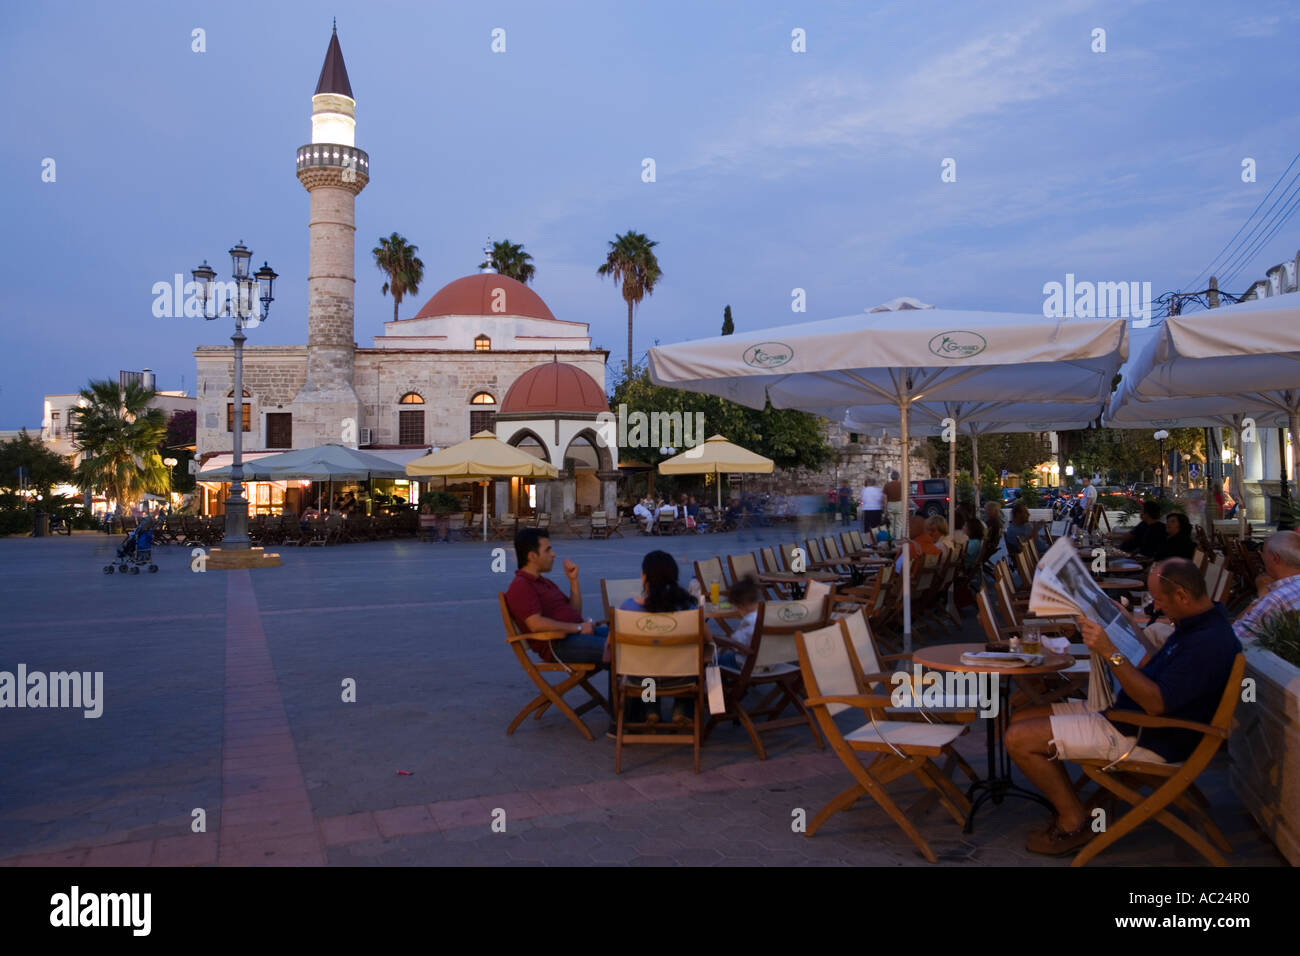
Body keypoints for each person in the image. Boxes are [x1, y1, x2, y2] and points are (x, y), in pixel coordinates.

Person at [1005, 558, 1241, 855]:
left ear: (1181, 595)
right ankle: (1078, 806)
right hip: (1130, 716)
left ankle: (1073, 820)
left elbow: (1155, 703)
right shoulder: (1199, 625)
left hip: (1149, 734)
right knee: (1022, 717)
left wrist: (1109, 651)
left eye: (1159, 599)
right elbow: (1158, 665)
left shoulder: (1208, 643)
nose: (1156, 606)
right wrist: (1129, 627)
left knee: (1019, 739)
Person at [617, 549, 701, 723]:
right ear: (674, 577)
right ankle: (681, 710)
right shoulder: (689, 608)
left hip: (642, 678)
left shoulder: (628, 608)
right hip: (681, 677)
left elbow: (611, 646)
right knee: (689, 663)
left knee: (648, 670)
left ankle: (651, 709)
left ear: (644, 577)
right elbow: (707, 641)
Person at [1234, 532, 1300, 641]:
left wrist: (1261, 597)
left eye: (1263, 552)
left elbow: (1235, 639)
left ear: (1275, 559)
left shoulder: (1275, 599)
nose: (1262, 557)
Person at [716, 575, 761, 670]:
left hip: (747, 665)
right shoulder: (767, 616)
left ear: (739, 605)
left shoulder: (749, 622)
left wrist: (717, 641)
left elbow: (735, 643)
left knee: (714, 659)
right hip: (771, 664)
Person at [882, 471, 904, 541]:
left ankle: (890, 540)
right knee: (899, 523)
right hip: (899, 504)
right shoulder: (901, 485)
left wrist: (885, 509)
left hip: (890, 504)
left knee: (891, 524)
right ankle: (897, 539)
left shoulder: (887, 485)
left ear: (891, 477)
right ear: (898, 477)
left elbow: (885, 498)